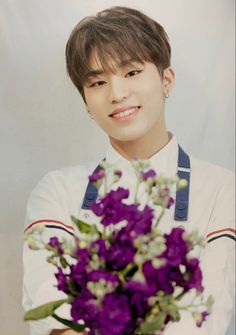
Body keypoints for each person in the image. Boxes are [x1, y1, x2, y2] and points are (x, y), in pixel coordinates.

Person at [22, 6, 235, 335]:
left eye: (132, 72)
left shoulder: (222, 189)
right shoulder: (57, 191)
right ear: (85, 103)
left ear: (167, 79)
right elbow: (51, 311)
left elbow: (209, 313)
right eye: (97, 81)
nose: (117, 94)